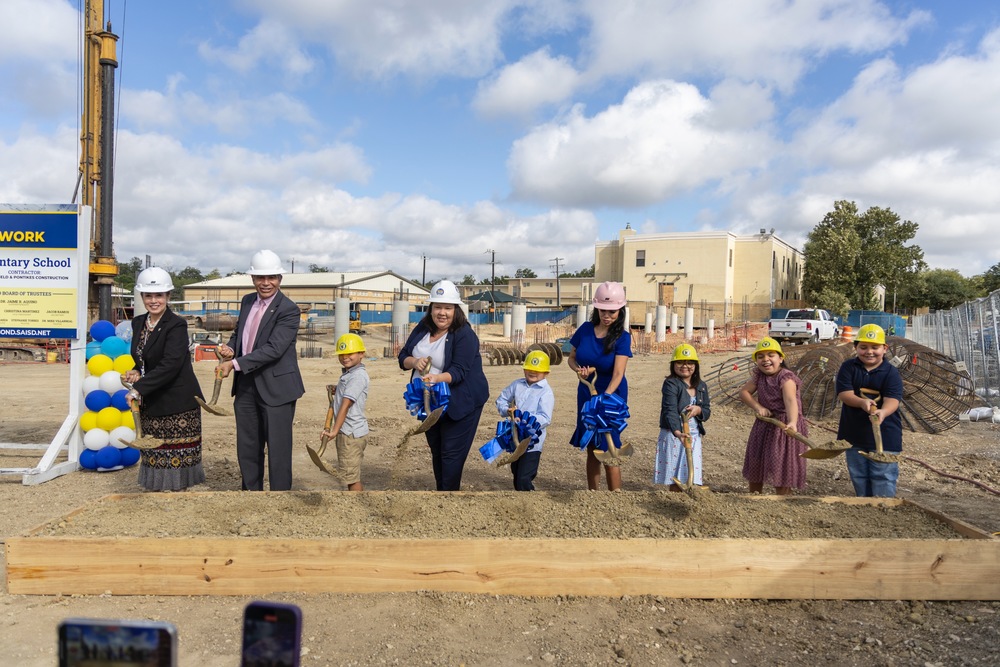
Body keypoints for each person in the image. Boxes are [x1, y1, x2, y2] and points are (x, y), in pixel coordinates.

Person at [217, 250, 305, 491]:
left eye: (272, 277)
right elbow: (240, 334)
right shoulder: (247, 301)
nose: (266, 283)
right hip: (246, 386)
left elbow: (274, 349)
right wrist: (231, 350)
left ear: (280, 279)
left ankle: (279, 499)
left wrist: (234, 364)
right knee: (247, 446)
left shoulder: (288, 310)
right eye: (260, 278)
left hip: (277, 388)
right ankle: (251, 495)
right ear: (253, 279)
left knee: (278, 450)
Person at [398, 280, 490, 491]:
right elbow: (403, 355)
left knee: (450, 453)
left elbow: (460, 371)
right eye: (437, 307)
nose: (442, 313)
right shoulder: (423, 327)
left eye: (447, 308)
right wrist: (414, 362)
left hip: (461, 402)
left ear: (456, 310)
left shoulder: (464, 334)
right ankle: (442, 494)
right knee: (437, 450)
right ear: (431, 308)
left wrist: (436, 379)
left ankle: (449, 498)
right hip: (431, 402)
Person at [123, 267, 206, 492]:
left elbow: (171, 363)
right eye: (148, 295)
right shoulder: (138, 322)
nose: (153, 300)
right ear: (141, 297)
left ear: (168, 297)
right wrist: (136, 370)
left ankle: (176, 497)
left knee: (174, 454)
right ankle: (157, 493)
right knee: (155, 453)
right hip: (153, 398)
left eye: (159, 295)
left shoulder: (176, 325)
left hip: (177, 401)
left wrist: (138, 389)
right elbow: (145, 356)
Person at [567, 281, 633, 491]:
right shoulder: (585, 330)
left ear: (620, 311)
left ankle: (616, 495)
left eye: (612, 311)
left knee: (609, 445)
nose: (607, 316)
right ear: (596, 309)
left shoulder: (623, 338)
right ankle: (592, 494)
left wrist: (603, 399)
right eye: (603, 310)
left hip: (611, 396)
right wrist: (579, 370)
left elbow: (618, 373)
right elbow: (572, 358)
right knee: (592, 445)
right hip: (587, 390)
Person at [836, 324, 904, 497]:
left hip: (886, 435)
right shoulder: (848, 367)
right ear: (856, 347)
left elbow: (892, 400)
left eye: (875, 347)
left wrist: (883, 412)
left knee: (884, 476)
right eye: (863, 347)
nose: (869, 352)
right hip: (854, 433)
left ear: (884, 348)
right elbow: (844, 394)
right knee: (859, 475)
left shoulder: (891, 373)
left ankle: (883, 510)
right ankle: (864, 508)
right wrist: (861, 402)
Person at [738, 337, 807, 495]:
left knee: (781, 464)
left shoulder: (786, 377)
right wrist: (758, 406)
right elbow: (744, 392)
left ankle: (782, 500)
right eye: (760, 356)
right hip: (765, 423)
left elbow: (790, 400)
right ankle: (754, 496)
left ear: (781, 358)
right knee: (757, 459)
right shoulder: (759, 376)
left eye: (771, 355)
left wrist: (792, 422)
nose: (765, 360)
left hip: (784, 424)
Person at [495, 350, 555, 491]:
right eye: (529, 369)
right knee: (516, 471)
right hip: (515, 438)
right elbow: (502, 399)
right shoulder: (517, 385)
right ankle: (520, 496)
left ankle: (529, 501)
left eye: (537, 370)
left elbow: (545, 418)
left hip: (532, 442)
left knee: (524, 476)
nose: (532, 372)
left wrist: (524, 421)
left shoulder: (546, 392)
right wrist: (506, 410)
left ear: (546, 373)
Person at [654, 344, 711, 491]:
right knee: (676, 475)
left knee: (691, 472)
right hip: (675, 435)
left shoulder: (701, 386)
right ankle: (675, 500)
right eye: (680, 362)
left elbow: (706, 410)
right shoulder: (671, 384)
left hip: (693, 435)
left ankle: (691, 495)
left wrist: (699, 410)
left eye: (690, 363)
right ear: (673, 365)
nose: (685, 366)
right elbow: (670, 410)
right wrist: (678, 432)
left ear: (696, 365)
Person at [320, 333, 370, 491]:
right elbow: (346, 394)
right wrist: (337, 389)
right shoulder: (350, 374)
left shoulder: (358, 376)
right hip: (348, 431)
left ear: (361, 354)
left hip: (350, 434)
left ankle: (356, 507)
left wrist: (334, 430)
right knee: (350, 474)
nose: (345, 357)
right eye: (341, 354)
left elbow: (345, 405)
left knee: (351, 478)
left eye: (350, 353)